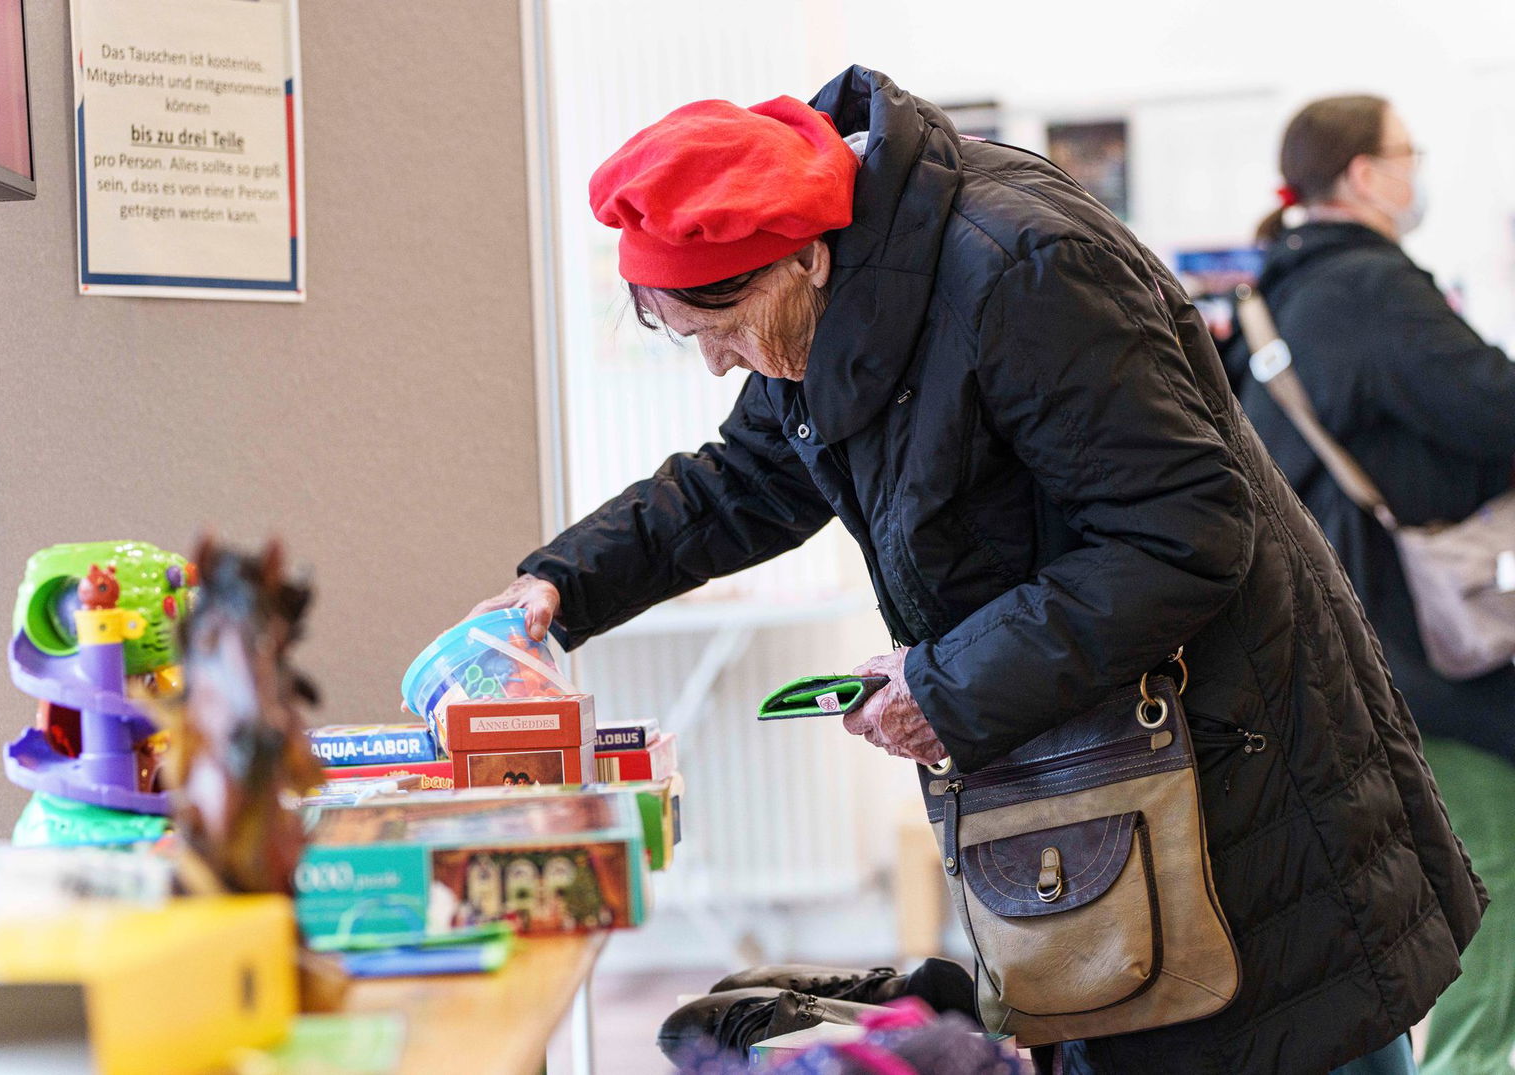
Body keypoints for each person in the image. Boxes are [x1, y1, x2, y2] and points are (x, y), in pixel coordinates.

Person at [459, 67, 1484, 1073]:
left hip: (1239, 791)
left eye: (721, 329)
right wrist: (557, 587)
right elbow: (744, 481)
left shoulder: (1021, 269)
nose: (718, 363)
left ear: (804, 258)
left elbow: (1181, 534)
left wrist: (944, 687)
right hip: (1104, 803)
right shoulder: (842, 296)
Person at [1229, 94, 1515, 1075]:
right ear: (1361, 174)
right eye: (1407, 153)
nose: (1416, 169)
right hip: (1428, 661)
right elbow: (1492, 410)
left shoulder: (1276, 295)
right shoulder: (1365, 288)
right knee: (1494, 874)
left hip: (1340, 655)